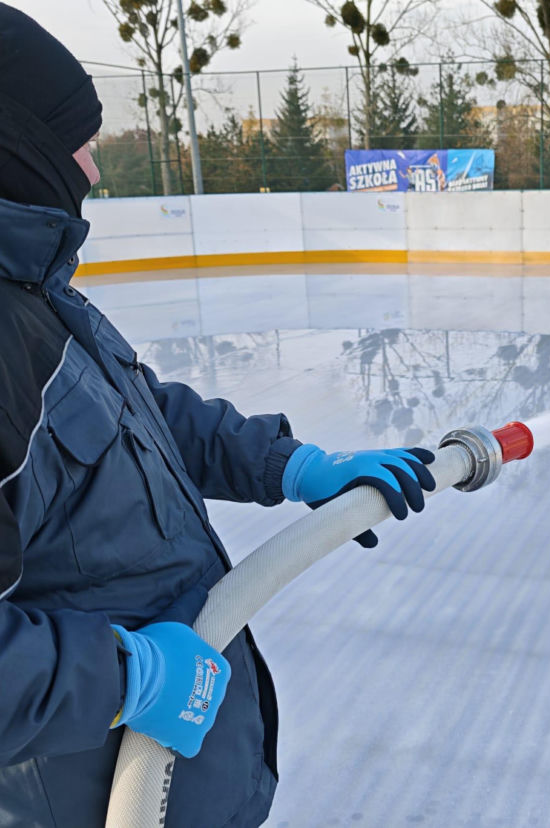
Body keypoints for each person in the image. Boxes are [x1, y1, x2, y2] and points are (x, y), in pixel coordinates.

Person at [0, 5, 435, 826]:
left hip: (184, 783)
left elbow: (141, 413)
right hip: (88, 797)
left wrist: (293, 466)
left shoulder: (34, 295)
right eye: (77, 141)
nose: (93, 170)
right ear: (16, 149)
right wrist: (126, 676)